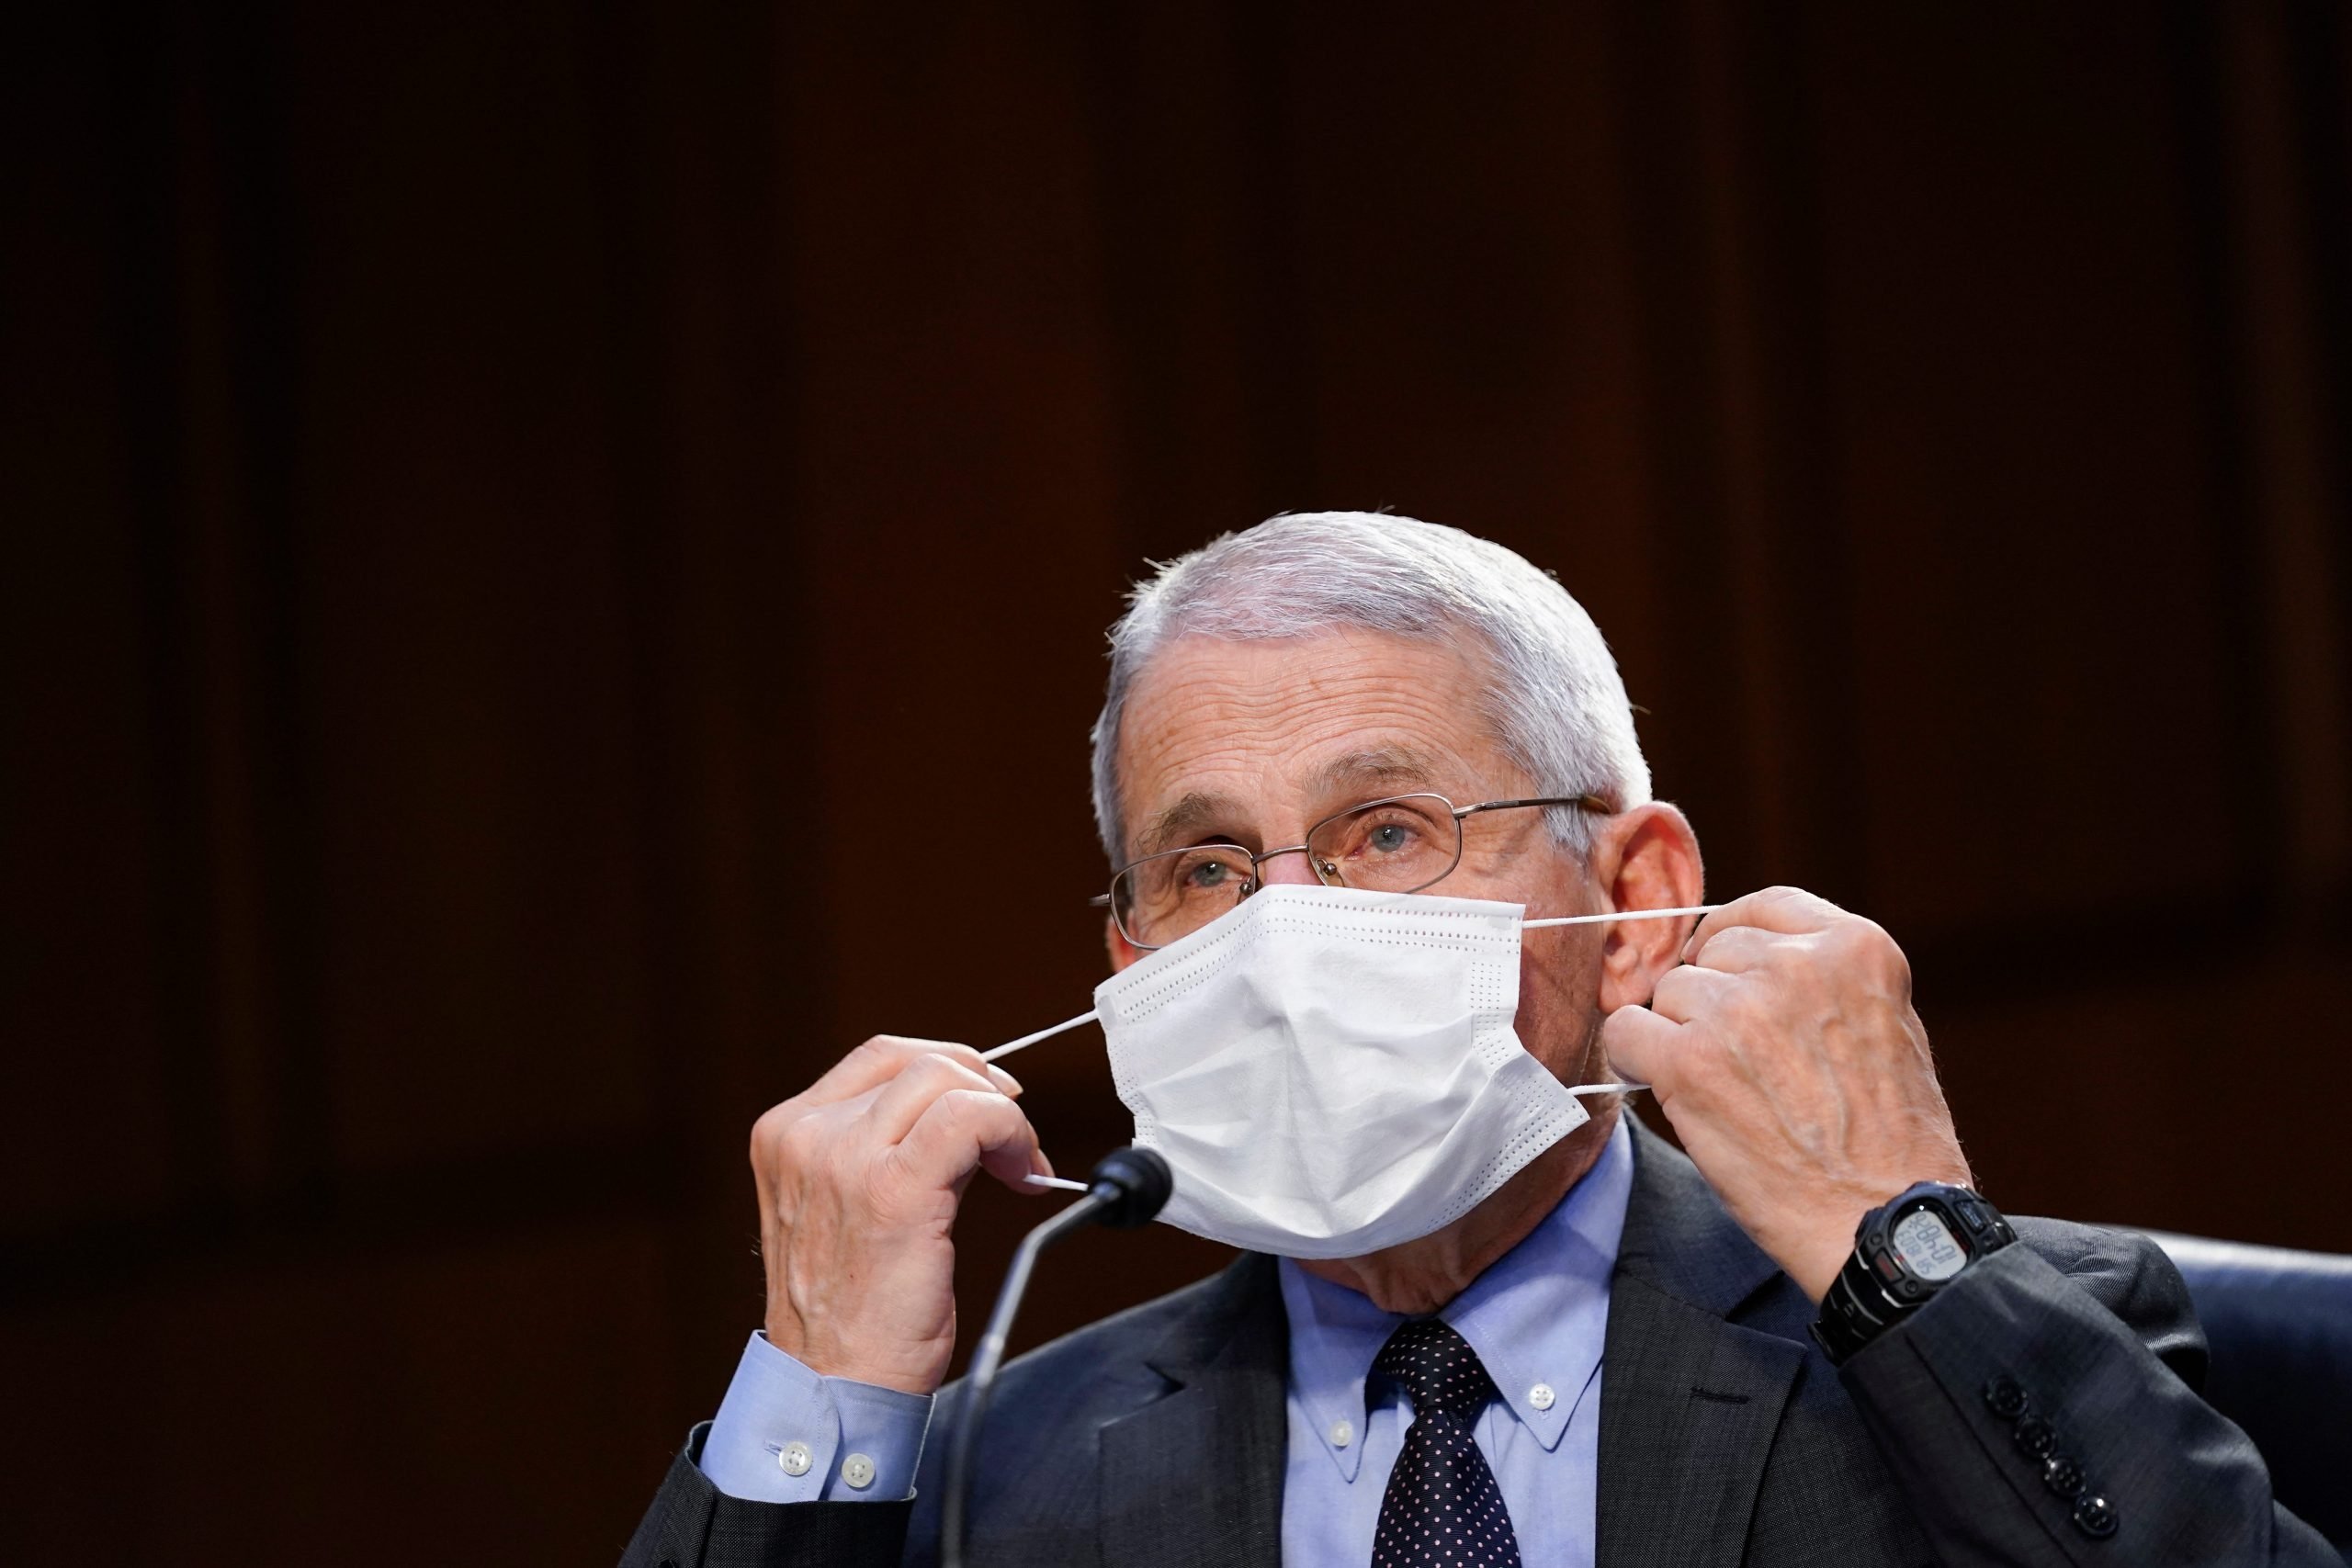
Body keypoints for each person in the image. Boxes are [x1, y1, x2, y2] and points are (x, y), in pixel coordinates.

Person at [621, 513, 2330, 1568]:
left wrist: (1908, 1256)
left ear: (1638, 897)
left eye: (1384, 833)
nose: (1288, 936)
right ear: (1135, 964)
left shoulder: (1985, 1341)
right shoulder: (997, 1478)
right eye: (1212, 868)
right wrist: (819, 1389)